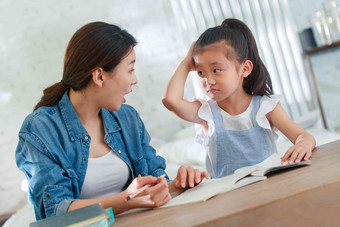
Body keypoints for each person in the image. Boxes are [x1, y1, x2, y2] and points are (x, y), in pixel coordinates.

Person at [15, 22, 209, 220]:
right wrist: (125, 200)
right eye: (130, 70)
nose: (135, 80)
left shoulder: (127, 118)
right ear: (99, 76)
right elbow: (56, 212)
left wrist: (177, 184)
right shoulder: (40, 129)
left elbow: (152, 186)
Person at [162, 18, 316, 178]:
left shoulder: (266, 107)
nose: (208, 80)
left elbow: (303, 136)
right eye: (201, 72)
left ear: (245, 69)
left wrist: (303, 144)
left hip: (267, 188)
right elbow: (171, 101)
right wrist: (186, 63)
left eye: (216, 70)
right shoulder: (206, 113)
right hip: (227, 196)